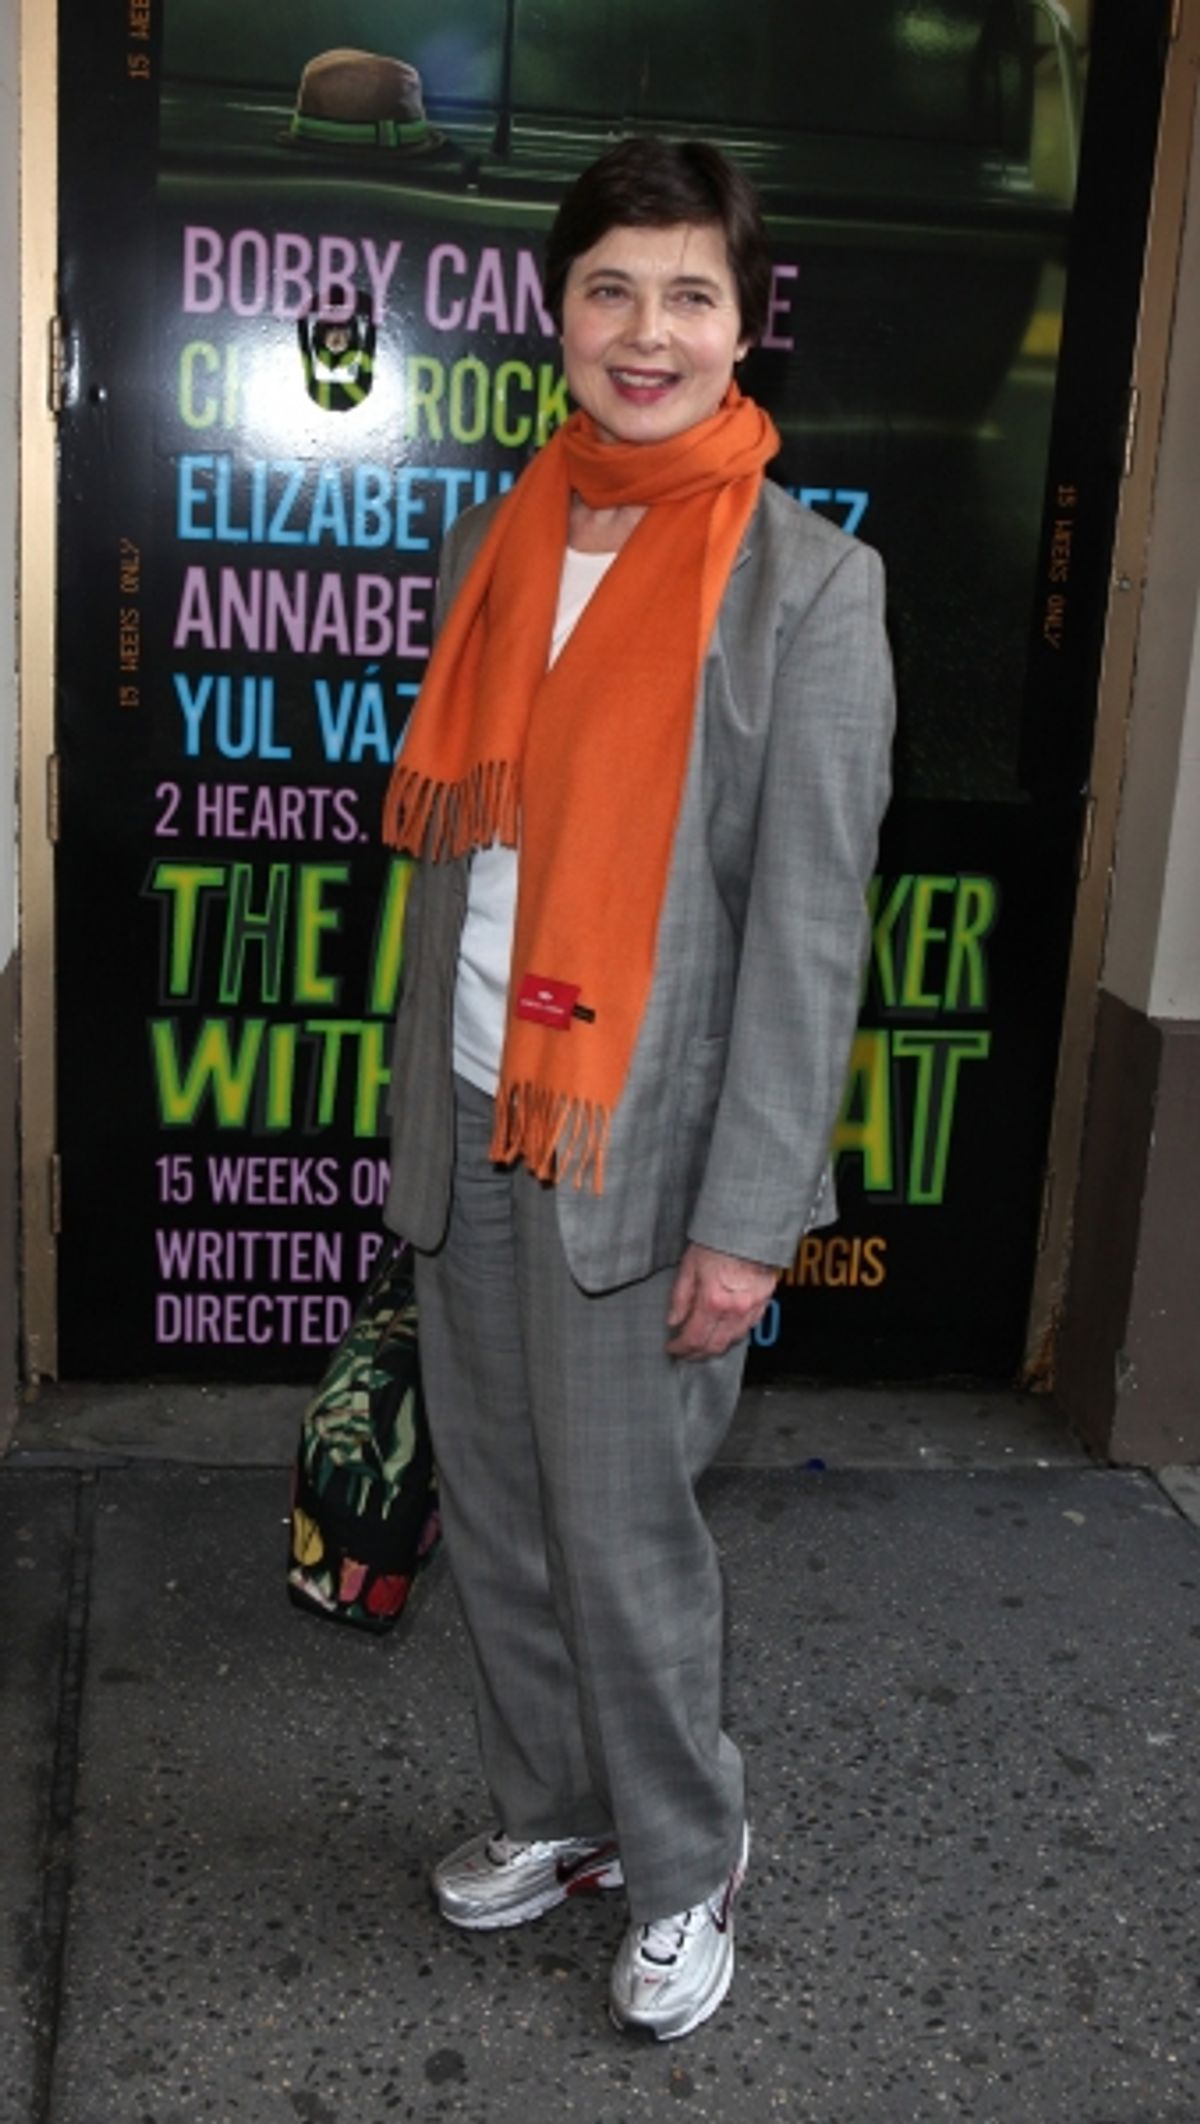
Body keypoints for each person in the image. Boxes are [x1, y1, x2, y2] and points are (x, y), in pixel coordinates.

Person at [382, 135, 894, 2041]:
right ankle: (559, 1816)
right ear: (557, 308)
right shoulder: (498, 535)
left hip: (648, 1162)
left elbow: (806, 939)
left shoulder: (808, 593)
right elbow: (463, 873)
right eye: (612, 287)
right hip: (479, 1110)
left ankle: (689, 1861)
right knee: (501, 1516)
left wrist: (750, 1227)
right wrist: (421, 1116)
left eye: (689, 293)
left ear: (742, 321)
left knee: (623, 1540)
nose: (647, 330)